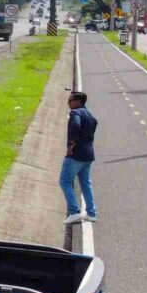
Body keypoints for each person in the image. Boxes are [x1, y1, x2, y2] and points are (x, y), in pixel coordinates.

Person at [60, 90, 98, 224]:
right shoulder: (91, 117)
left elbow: (75, 125)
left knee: (64, 181)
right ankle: (91, 213)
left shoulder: (75, 113)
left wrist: (71, 144)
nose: (69, 102)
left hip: (76, 155)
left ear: (78, 102)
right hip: (88, 154)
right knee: (85, 183)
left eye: (71, 100)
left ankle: (74, 212)